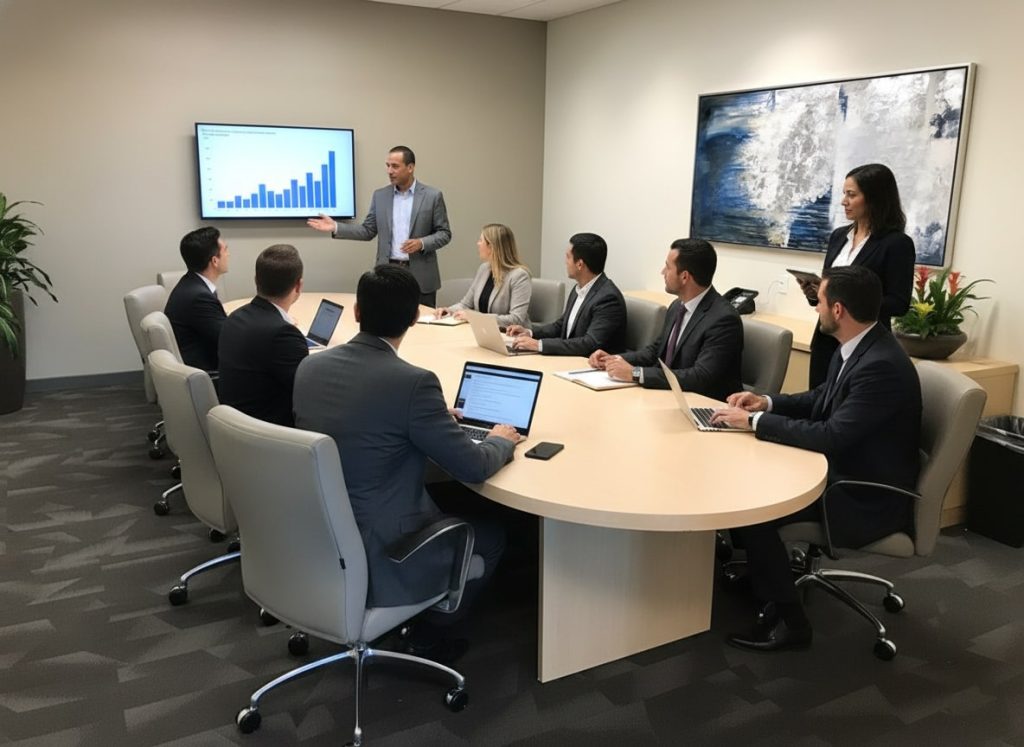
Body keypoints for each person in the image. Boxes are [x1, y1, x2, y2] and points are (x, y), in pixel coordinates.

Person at [292, 265, 521, 656]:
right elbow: (474, 467)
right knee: (495, 534)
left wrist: (430, 420)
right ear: (416, 317)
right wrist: (500, 440)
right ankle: (432, 631)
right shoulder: (413, 383)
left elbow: (363, 422)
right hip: (383, 547)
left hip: (316, 534)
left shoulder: (309, 366)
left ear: (357, 312)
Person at [710, 265, 922, 652]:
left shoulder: (880, 366)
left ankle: (793, 624)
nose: (816, 310)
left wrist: (755, 421)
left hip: (861, 492)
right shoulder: (861, 346)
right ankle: (767, 577)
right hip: (842, 469)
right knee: (748, 483)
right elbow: (819, 399)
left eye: (820, 302)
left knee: (754, 509)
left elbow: (833, 435)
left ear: (838, 310)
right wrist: (767, 402)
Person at [797, 163, 915, 387]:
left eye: (851, 195)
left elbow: (899, 303)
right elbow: (831, 290)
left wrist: (850, 301)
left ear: (874, 198)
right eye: (844, 194)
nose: (844, 201)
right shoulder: (839, 237)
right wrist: (815, 292)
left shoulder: (896, 244)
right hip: (826, 340)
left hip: (865, 345)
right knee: (818, 406)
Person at [588, 238, 742, 399]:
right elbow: (656, 352)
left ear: (684, 277)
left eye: (668, 267)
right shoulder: (677, 306)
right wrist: (613, 360)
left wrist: (635, 373)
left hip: (702, 406)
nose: (662, 272)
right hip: (667, 395)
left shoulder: (723, 320)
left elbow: (700, 377)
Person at [306, 145, 451, 307]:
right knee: (386, 325)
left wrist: (421, 243)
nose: (389, 171)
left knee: (423, 326)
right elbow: (368, 230)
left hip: (421, 276)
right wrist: (336, 227)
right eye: (387, 166)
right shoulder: (380, 196)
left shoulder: (432, 196)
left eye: (395, 166)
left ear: (410, 168)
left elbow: (444, 233)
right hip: (387, 273)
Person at [217, 244, 308, 427]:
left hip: (232, 427)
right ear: (298, 285)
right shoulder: (283, 335)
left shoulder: (235, 317)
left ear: (256, 280)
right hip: (270, 435)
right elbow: (308, 394)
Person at [506, 232, 626, 355]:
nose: (565, 262)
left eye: (568, 257)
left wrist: (539, 345)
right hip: (569, 360)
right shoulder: (579, 288)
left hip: (590, 366)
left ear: (580, 264)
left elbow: (589, 344)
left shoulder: (608, 298)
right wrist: (530, 332)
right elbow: (561, 326)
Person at [435, 223, 531, 328]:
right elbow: (466, 304)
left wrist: (475, 317)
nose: (478, 244)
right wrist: (448, 311)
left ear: (492, 246)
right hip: (483, 332)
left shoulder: (519, 276)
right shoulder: (484, 269)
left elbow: (516, 319)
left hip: (511, 336)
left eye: (481, 240)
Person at [164, 226, 228, 372]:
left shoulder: (190, 283)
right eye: (225, 250)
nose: (228, 254)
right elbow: (229, 340)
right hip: (208, 374)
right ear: (214, 261)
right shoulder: (199, 297)